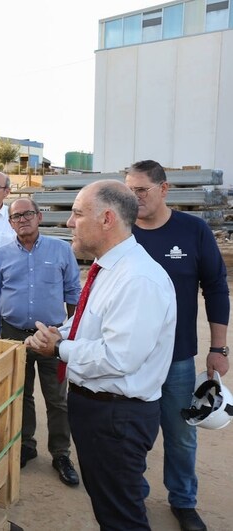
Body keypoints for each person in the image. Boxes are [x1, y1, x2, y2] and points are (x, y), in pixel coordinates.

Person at [25, 180, 177, 530]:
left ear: (107, 219)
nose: (68, 223)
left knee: (121, 517)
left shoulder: (138, 279)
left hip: (116, 418)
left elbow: (120, 357)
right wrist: (60, 332)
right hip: (101, 411)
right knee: (111, 505)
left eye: (77, 214)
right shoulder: (110, 269)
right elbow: (90, 324)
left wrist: (58, 348)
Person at [126, 160, 229, 531]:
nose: (134, 198)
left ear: (164, 189)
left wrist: (219, 348)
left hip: (177, 359)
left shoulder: (193, 231)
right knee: (131, 434)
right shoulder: (121, 232)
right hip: (130, 359)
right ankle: (133, 494)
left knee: (182, 436)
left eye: (142, 190)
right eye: (129, 191)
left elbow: (216, 286)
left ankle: (183, 501)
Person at [0, 198, 81, 486]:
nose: (23, 219)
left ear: (40, 216)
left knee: (57, 398)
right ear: (10, 223)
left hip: (53, 335)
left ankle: (61, 453)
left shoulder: (61, 249)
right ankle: (26, 444)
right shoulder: (0, 256)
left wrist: (70, 332)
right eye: (16, 216)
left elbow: (74, 293)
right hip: (14, 334)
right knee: (20, 394)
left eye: (28, 213)